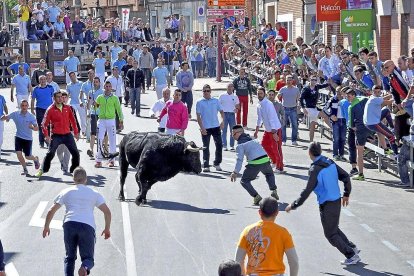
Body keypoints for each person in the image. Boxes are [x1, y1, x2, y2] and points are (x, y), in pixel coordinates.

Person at [286, 142, 361, 265]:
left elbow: (307, 190)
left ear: (309, 153)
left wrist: (293, 205)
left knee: (330, 234)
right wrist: (346, 193)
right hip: (336, 199)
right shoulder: (329, 161)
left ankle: (351, 255)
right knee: (334, 228)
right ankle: (351, 247)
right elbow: (346, 176)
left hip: (327, 203)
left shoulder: (314, 169)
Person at [43, 166, 111, 276]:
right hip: (87, 226)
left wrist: (46, 226)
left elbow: (51, 211)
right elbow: (107, 212)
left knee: (69, 257)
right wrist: (107, 228)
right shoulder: (94, 193)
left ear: (73, 179)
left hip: (69, 224)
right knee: (88, 258)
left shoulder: (66, 191)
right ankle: (85, 266)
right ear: (86, 179)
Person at [236, 197, 299, 275]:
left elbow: (239, 259)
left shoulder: (248, 231)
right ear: (277, 213)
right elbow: (294, 262)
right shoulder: (283, 233)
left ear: (260, 212)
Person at [231, 125, 279, 205]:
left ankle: (256, 197)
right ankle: (274, 191)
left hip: (254, 163)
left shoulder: (240, 145)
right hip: (265, 159)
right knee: (269, 174)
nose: (233, 136)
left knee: (244, 181)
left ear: (239, 133)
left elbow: (239, 160)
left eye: (234, 134)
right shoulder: (252, 137)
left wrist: (235, 172)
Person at [36, 91, 80, 178]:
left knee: (75, 153)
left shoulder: (67, 108)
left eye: (61, 97)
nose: (60, 99)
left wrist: (76, 132)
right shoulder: (50, 109)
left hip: (67, 134)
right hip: (56, 135)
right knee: (50, 153)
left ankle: (74, 171)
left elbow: (73, 121)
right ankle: (42, 170)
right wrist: (46, 135)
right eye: (58, 97)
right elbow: (44, 124)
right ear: (54, 98)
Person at [1, 99, 40, 175]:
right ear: (20, 106)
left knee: (28, 156)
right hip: (18, 137)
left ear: (28, 106)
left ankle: (35, 159)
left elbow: (37, 128)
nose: (24, 107)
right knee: (19, 154)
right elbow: (6, 117)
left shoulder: (31, 116)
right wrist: (3, 118)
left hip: (28, 139)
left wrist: (32, 127)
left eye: (25, 105)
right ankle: (25, 169)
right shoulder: (15, 114)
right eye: (22, 105)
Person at [94, 81, 124, 168]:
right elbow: (96, 107)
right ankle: (99, 160)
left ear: (111, 88)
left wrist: (121, 121)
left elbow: (119, 110)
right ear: (104, 87)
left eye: (109, 86)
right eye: (106, 86)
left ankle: (112, 160)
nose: (108, 88)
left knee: (112, 140)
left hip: (111, 120)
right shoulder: (100, 97)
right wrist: (94, 105)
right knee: (99, 139)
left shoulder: (114, 98)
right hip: (102, 120)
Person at [253, 87, 284, 173]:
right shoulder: (259, 105)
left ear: (264, 94)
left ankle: (280, 167)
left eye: (261, 93)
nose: (259, 95)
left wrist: (274, 133)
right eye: (258, 93)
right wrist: (256, 131)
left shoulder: (268, 104)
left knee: (276, 148)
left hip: (275, 129)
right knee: (264, 145)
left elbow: (272, 119)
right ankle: (274, 160)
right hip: (267, 129)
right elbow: (259, 119)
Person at [196, 84, 224, 172]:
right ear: (202, 92)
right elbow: (198, 117)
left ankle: (217, 163)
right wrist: (202, 128)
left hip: (216, 126)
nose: (206, 93)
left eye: (208, 91)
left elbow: (222, 112)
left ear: (210, 91)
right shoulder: (199, 102)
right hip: (206, 127)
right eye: (204, 91)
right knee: (205, 147)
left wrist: (222, 122)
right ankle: (206, 165)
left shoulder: (215, 100)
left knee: (219, 145)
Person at [346, 87, 371, 181]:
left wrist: (353, 127)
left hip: (360, 129)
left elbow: (351, 122)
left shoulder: (351, 107)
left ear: (353, 95)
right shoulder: (365, 99)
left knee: (359, 152)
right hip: (369, 125)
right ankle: (385, 146)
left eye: (349, 96)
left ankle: (360, 174)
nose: (348, 98)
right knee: (374, 137)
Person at [364, 85, 397, 155]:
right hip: (373, 123)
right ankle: (396, 154)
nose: (377, 93)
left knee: (386, 111)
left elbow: (383, 98)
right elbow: (388, 102)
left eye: (378, 92)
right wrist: (397, 97)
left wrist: (392, 94)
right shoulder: (374, 99)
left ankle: (392, 128)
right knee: (391, 136)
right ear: (372, 92)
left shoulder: (372, 98)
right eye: (375, 92)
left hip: (370, 121)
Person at [299, 74, 332, 142]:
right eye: (312, 80)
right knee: (325, 115)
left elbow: (324, 85)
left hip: (314, 108)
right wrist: (303, 108)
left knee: (312, 127)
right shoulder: (306, 88)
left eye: (315, 80)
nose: (314, 81)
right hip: (308, 109)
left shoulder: (317, 87)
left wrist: (329, 82)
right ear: (309, 80)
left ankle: (311, 141)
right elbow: (301, 98)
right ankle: (332, 128)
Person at [57, 91, 81, 174]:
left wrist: (77, 132)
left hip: (69, 132)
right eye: (61, 97)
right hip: (58, 132)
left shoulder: (71, 108)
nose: (63, 99)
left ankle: (65, 167)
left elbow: (75, 121)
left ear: (67, 99)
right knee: (59, 151)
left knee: (67, 151)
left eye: (65, 97)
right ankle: (62, 162)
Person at [323, 86, 348, 161]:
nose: (338, 93)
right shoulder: (332, 99)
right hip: (335, 121)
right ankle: (335, 154)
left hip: (344, 121)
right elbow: (324, 108)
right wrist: (331, 116)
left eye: (340, 91)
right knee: (336, 139)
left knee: (343, 139)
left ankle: (342, 155)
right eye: (337, 91)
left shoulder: (346, 100)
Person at [31, 75, 54, 148]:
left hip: (49, 109)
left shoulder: (50, 88)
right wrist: (32, 109)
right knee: (41, 126)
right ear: (39, 80)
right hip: (39, 109)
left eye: (44, 79)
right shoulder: (36, 89)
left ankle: (48, 141)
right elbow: (33, 99)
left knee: (49, 125)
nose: (43, 81)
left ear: (46, 80)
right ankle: (41, 142)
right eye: (41, 79)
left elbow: (54, 98)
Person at [279, 75, 300, 145]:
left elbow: (298, 98)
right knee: (283, 125)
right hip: (284, 109)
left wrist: (299, 107)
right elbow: (277, 96)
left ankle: (294, 140)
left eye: (290, 80)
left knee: (294, 125)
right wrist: (279, 103)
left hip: (293, 109)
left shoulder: (296, 89)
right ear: (285, 81)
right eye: (287, 80)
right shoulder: (283, 89)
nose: (289, 82)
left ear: (292, 81)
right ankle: (283, 140)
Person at [86, 77, 103, 158]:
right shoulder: (90, 92)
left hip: (101, 114)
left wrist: (98, 104)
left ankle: (103, 148)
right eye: (94, 82)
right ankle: (91, 149)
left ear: (99, 82)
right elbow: (89, 103)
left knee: (102, 133)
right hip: (93, 113)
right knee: (93, 132)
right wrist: (88, 112)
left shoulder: (102, 92)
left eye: (97, 82)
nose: (95, 83)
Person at [219, 83, 239, 151]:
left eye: (231, 86)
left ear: (233, 88)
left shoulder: (235, 97)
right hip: (224, 114)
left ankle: (232, 145)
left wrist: (237, 109)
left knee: (233, 131)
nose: (230, 88)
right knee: (223, 130)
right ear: (226, 87)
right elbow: (218, 105)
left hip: (232, 114)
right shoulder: (222, 96)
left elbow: (238, 105)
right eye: (228, 86)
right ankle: (224, 145)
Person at [67, 71, 86, 136]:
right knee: (72, 117)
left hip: (81, 103)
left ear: (75, 76)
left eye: (73, 76)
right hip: (73, 103)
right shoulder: (68, 85)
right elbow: (67, 94)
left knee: (83, 117)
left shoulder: (81, 83)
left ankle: (83, 130)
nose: (72, 77)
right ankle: (73, 130)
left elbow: (84, 92)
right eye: (71, 76)